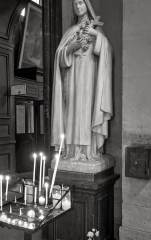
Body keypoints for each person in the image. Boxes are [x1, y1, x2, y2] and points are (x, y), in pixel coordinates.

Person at [51, 0, 113, 161]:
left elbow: (107, 52)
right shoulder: (70, 30)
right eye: (75, 4)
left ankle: (88, 151)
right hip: (71, 78)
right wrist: (70, 48)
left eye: (81, 3)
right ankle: (72, 151)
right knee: (71, 111)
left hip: (90, 77)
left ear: (87, 5)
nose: (78, 7)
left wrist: (96, 35)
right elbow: (59, 57)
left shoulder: (95, 27)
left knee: (87, 109)